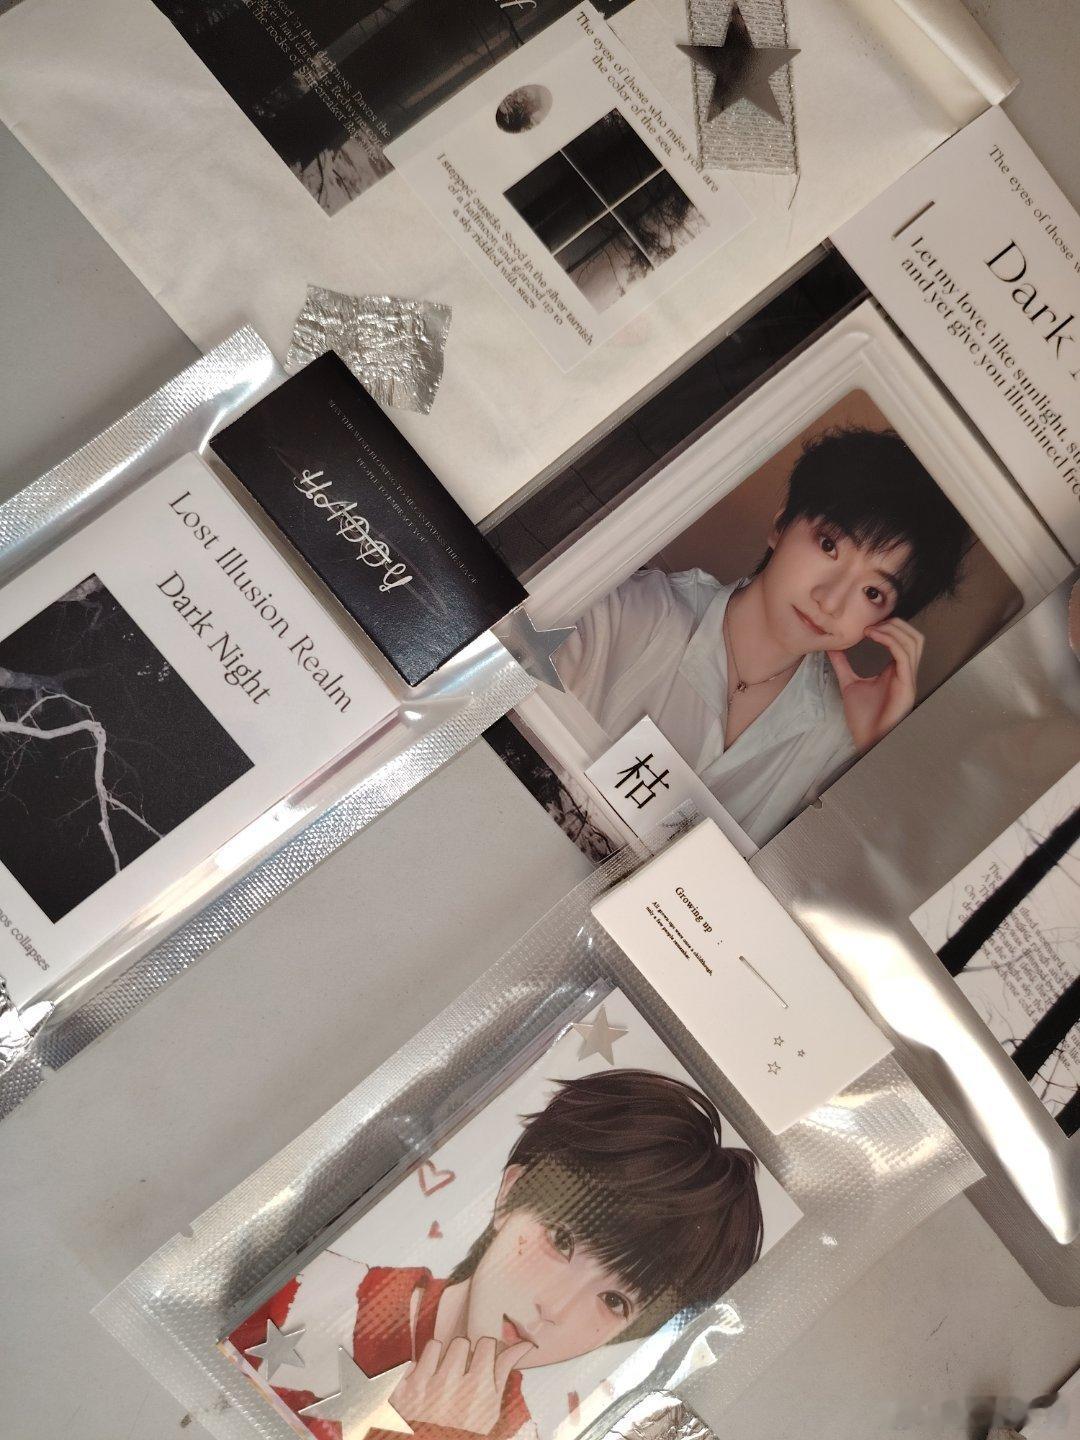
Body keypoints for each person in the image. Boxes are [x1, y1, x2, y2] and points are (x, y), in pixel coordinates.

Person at [229, 1070, 763, 1440]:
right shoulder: (317, 1291)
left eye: (614, 1302)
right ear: (511, 1193)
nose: (555, 1308)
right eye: (561, 1241)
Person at [557, 427, 971, 844]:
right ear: (780, 525)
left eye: (873, 592)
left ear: (886, 622)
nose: (830, 601)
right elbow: (514, 680)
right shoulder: (634, 612)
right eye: (829, 545)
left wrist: (879, 751)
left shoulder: (835, 740)